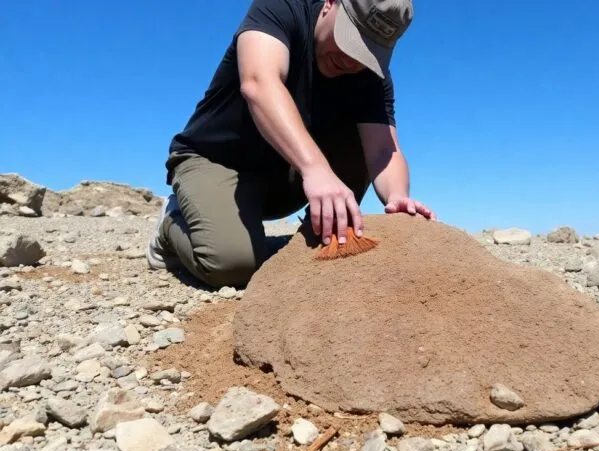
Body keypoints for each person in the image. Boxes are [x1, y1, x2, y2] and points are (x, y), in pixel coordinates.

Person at [146, 0, 436, 288]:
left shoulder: (369, 76)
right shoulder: (281, 9)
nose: (352, 61)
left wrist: (398, 198)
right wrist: (315, 169)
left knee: (360, 136)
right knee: (232, 266)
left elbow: (384, 150)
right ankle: (171, 222)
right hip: (217, 161)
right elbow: (259, 83)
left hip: (284, 176)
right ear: (330, 4)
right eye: (351, 38)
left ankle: (318, 233)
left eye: (368, 50)